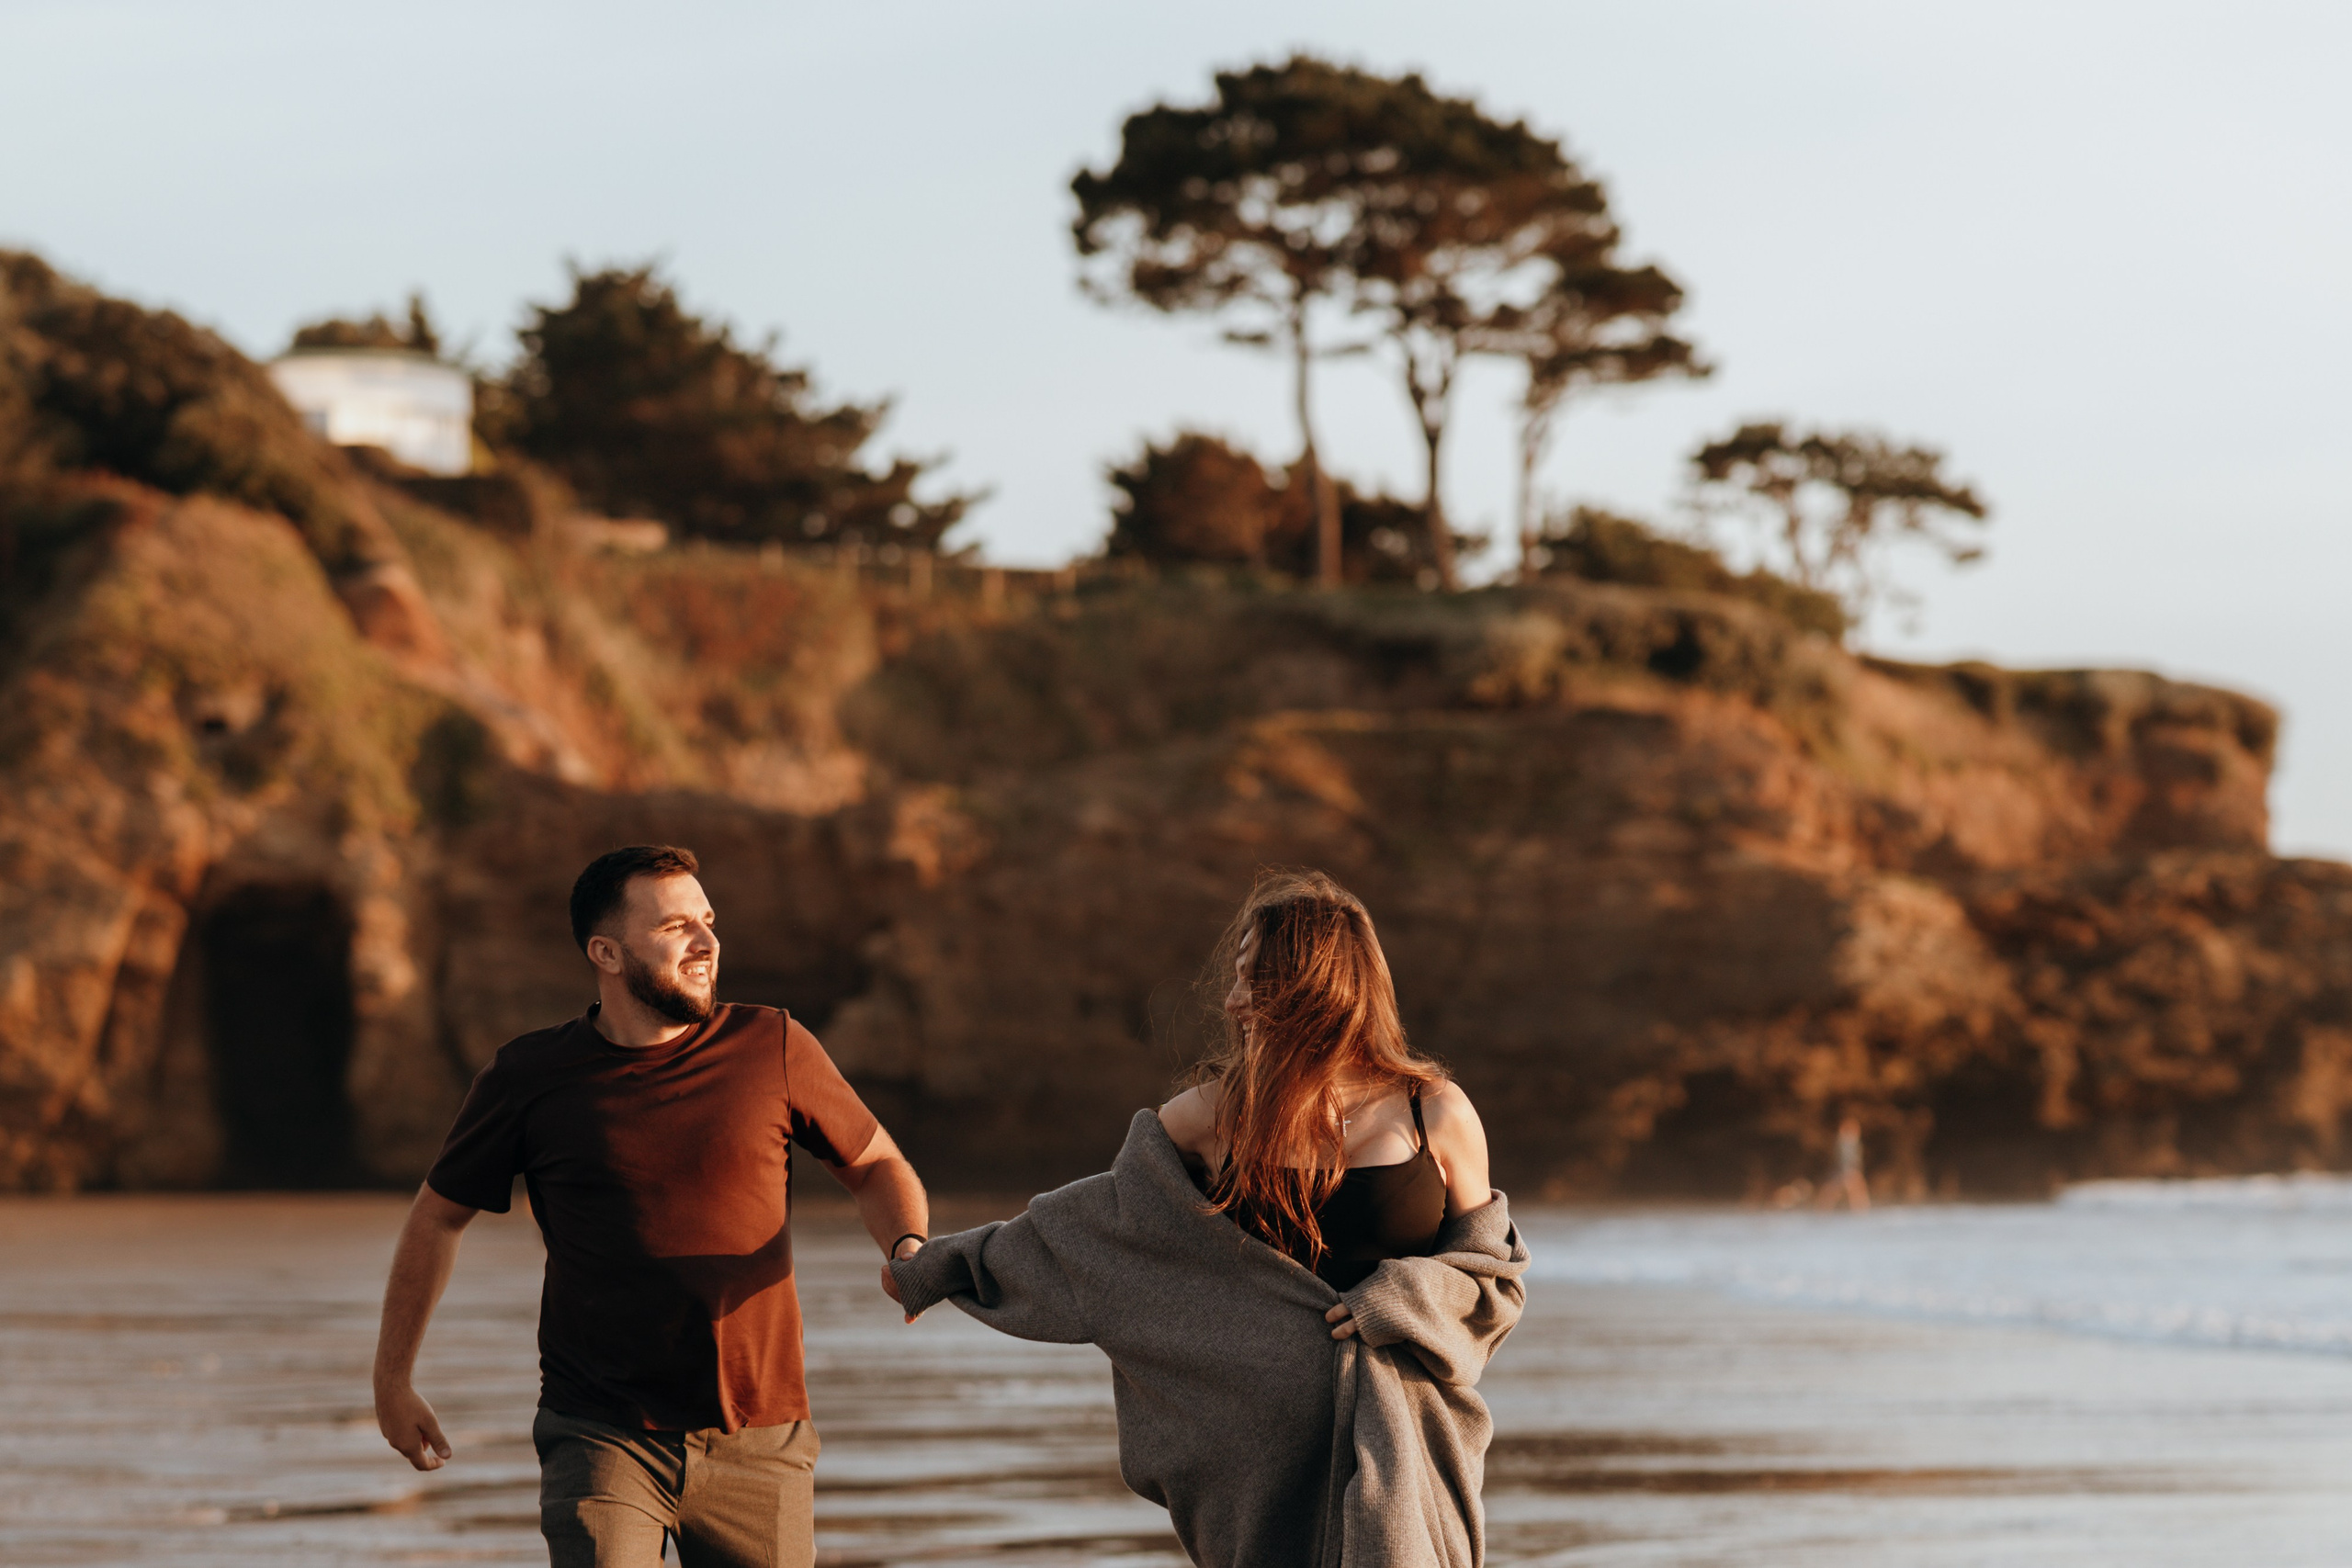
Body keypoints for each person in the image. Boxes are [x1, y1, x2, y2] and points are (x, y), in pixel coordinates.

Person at [886, 869, 1528, 1567]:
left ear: (1314, 985)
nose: (1232, 999)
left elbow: (1493, 1282)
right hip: (1259, 1483)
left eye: (1254, 978)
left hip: (1409, 1460)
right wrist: (935, 1266)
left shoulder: (1435, 1113)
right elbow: (1091, 1234)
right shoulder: (1210, 1118)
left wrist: (1405, 1298)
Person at [370, 844, 929, 1568]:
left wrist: (908, 1246)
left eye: (708, 920)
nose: (706, 943)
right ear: (606, 951)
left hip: (760, 1437)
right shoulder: (530, 1076)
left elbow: (877, 1163)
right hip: (599, 1434)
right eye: (674, 927)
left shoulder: (773, 1045)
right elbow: (437, 1217)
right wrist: (392, 1380)